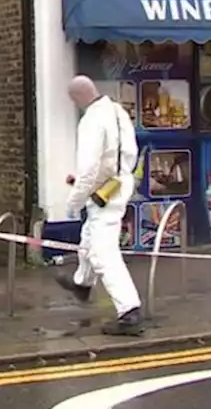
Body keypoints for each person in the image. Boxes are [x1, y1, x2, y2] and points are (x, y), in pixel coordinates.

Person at [56, 75, 145, 336]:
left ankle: (129, 311)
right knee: (89, 237)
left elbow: (89, 169)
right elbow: (126, 154)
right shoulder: (118, 112)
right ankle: (82, 283)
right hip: (118, 185)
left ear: (78, 98)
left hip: (103, 194)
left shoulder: (91, 121)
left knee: (103, 253)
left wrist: (73, 203)